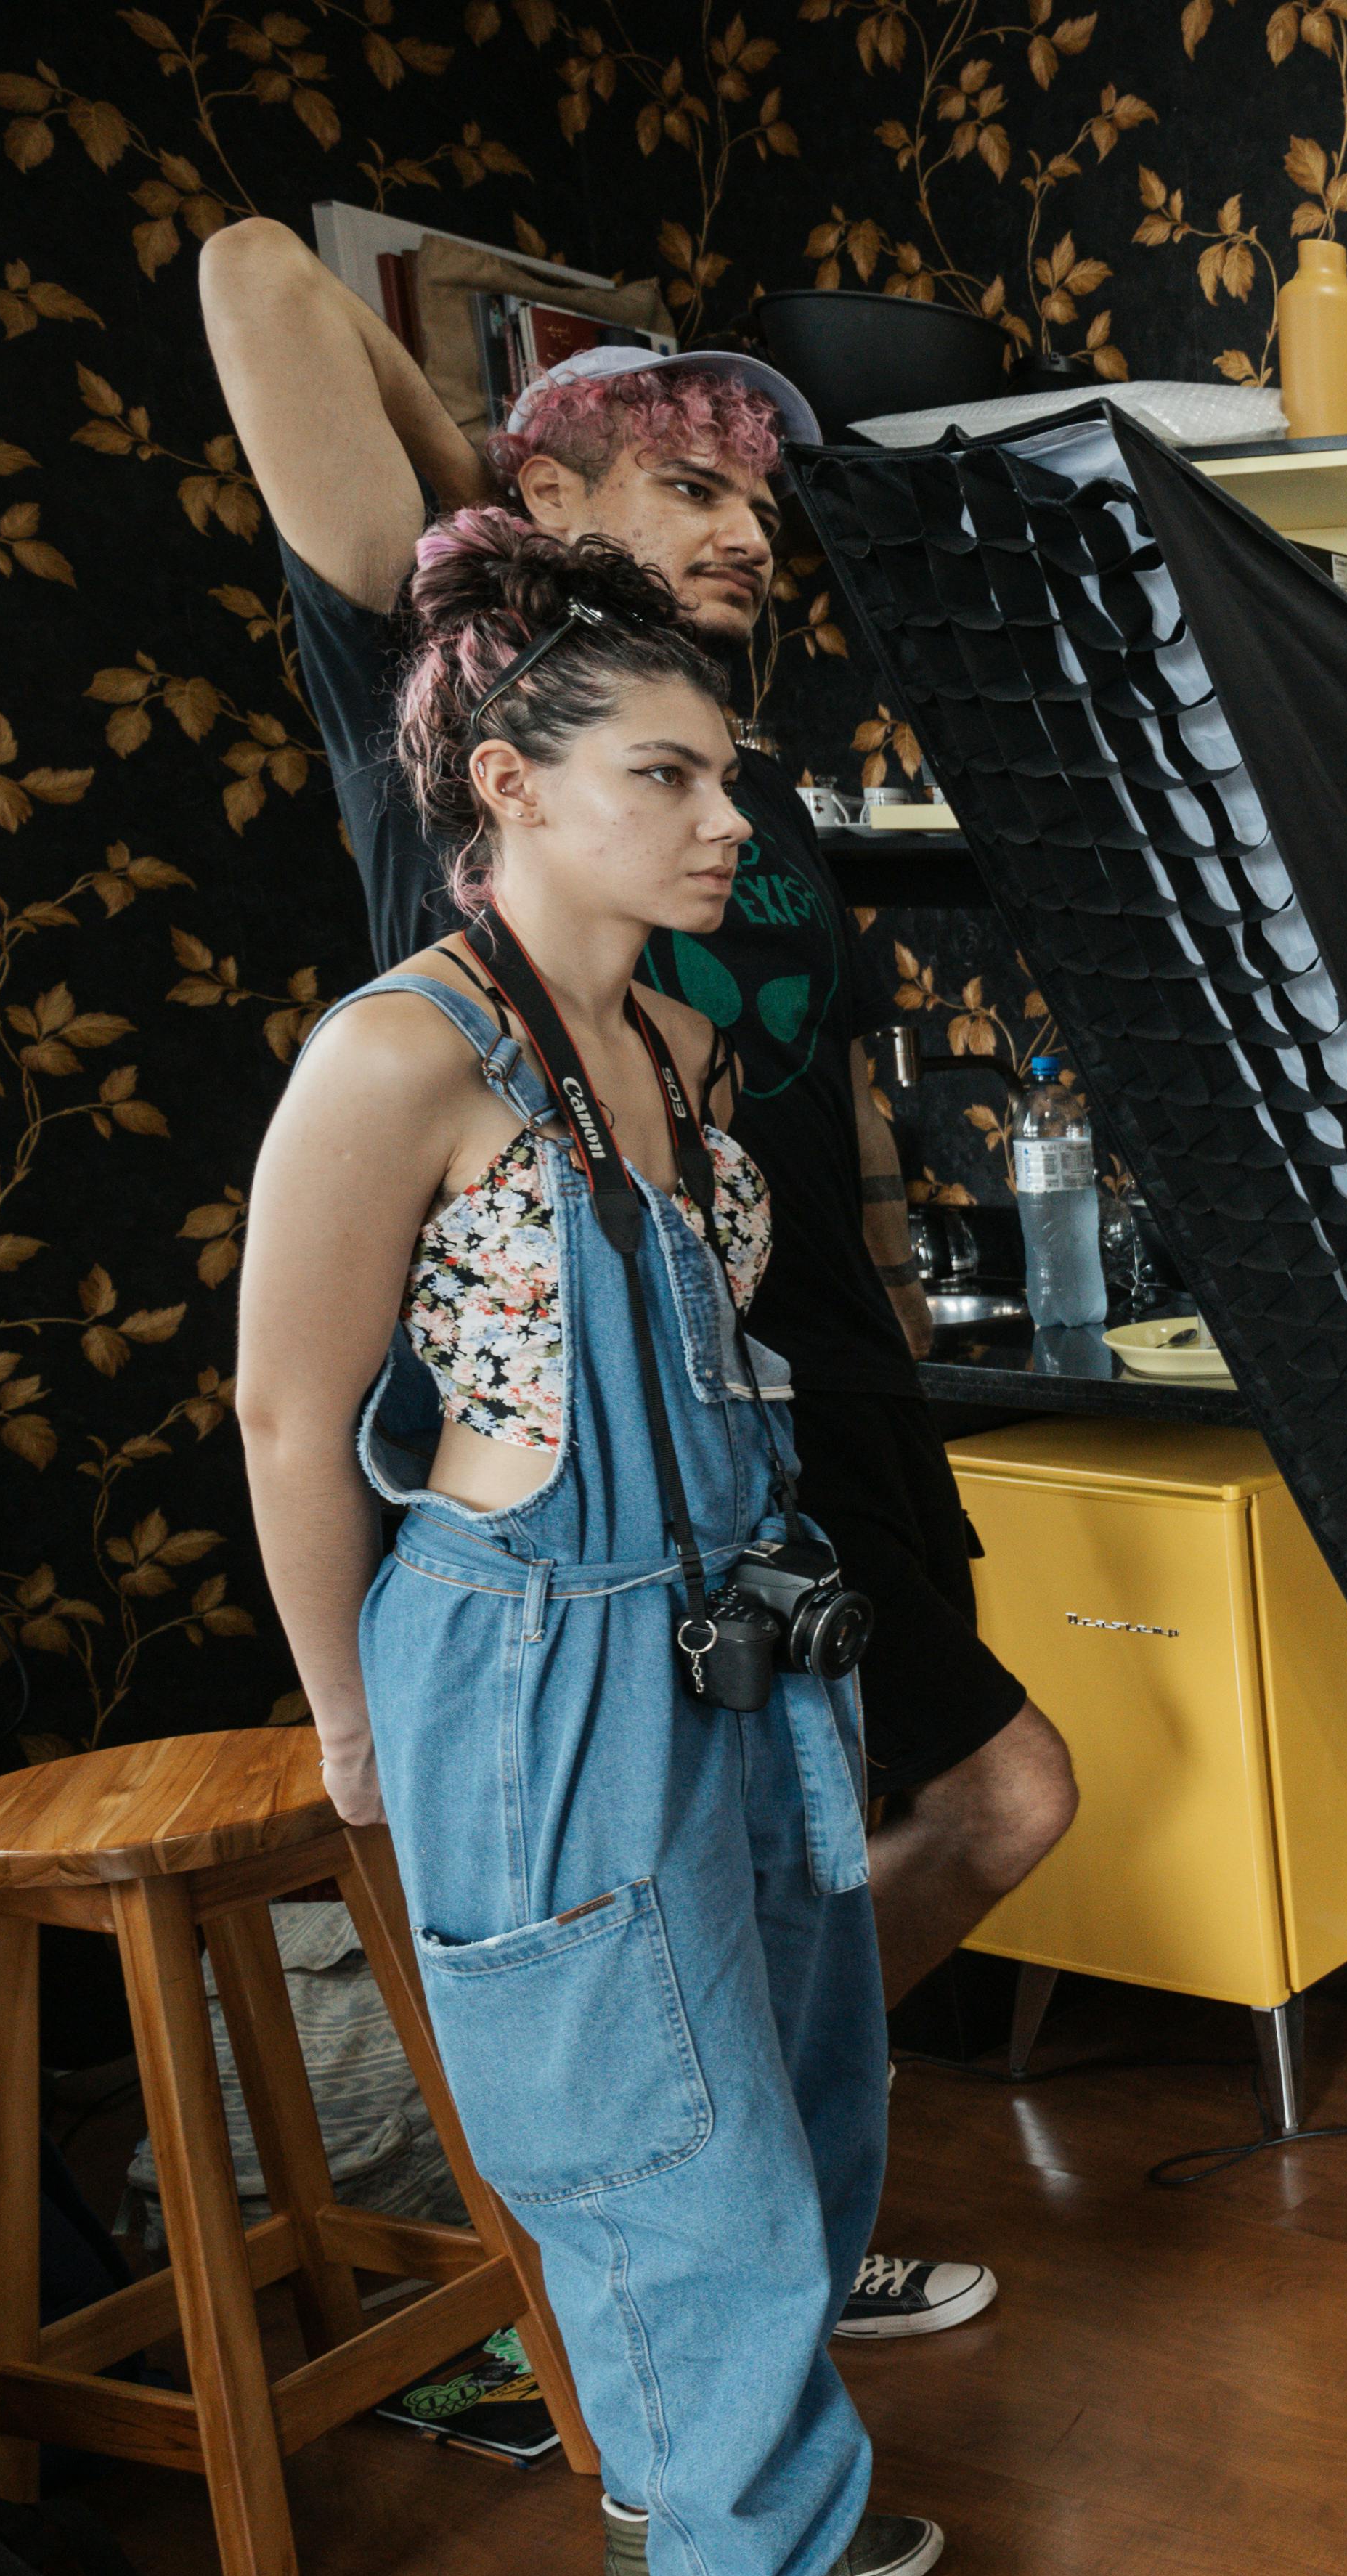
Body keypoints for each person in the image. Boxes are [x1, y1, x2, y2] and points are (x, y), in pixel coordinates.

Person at [200, 221, 1070, 2339]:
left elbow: (814, 1088)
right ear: (552, 507)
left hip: (815, 1398)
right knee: (721, 1894)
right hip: (595, 1481)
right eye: (695, 482)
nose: (750, 532)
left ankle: (750, 2194)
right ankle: (694, 2256)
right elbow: (253, 279)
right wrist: (498, 498)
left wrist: (886, 1311)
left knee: (989, 1802)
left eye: (756, 501)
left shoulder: (725, 782)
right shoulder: (468, 706)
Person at [240, 517, 925, 2576]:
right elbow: (294, 1416)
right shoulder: (395, 1054)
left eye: (728, 772)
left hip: (749, 1641)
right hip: (531, 1673)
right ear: (510, 786)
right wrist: (350, 1721)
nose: (727, 816)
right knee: (673, 2186)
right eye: (669, 773)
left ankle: (704, 2483)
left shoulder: (668, 1035)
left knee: (814, 2107)